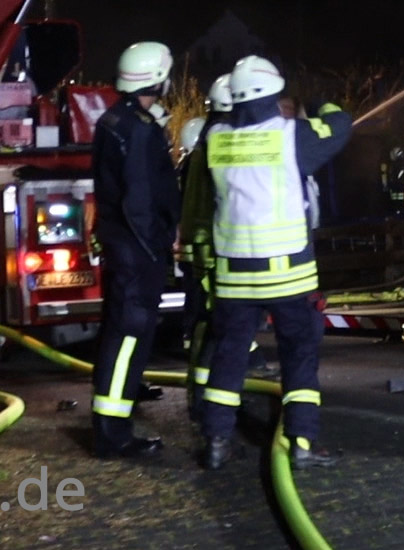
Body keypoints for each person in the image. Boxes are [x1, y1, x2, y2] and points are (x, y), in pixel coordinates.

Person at [199, 56, 352, 472]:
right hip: (288, 276)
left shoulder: (215, 138)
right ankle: (301, 444)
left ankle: (215, 442)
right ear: (273, 93)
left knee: (228, 357)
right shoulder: (293, 137)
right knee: (299, 355)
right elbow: (341, 126)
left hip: (233, 278)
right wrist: (320, 102)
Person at [89, 41, 181, 459]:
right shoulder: (140, 129)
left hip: (122, 244)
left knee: (119, 335)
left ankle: (112, 426)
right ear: (156, 78)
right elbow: (142, 196)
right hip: (137, 249)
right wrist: (157, 247)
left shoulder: (112, 121)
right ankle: (113, 436)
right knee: (129, 337)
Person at [179, 74, 234, 425]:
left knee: (206, 321)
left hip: (201, 246)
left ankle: (199, 394)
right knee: (218, 324)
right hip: (216, 248)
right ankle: (209, 405)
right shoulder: (222, 143)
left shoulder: (204, 142)